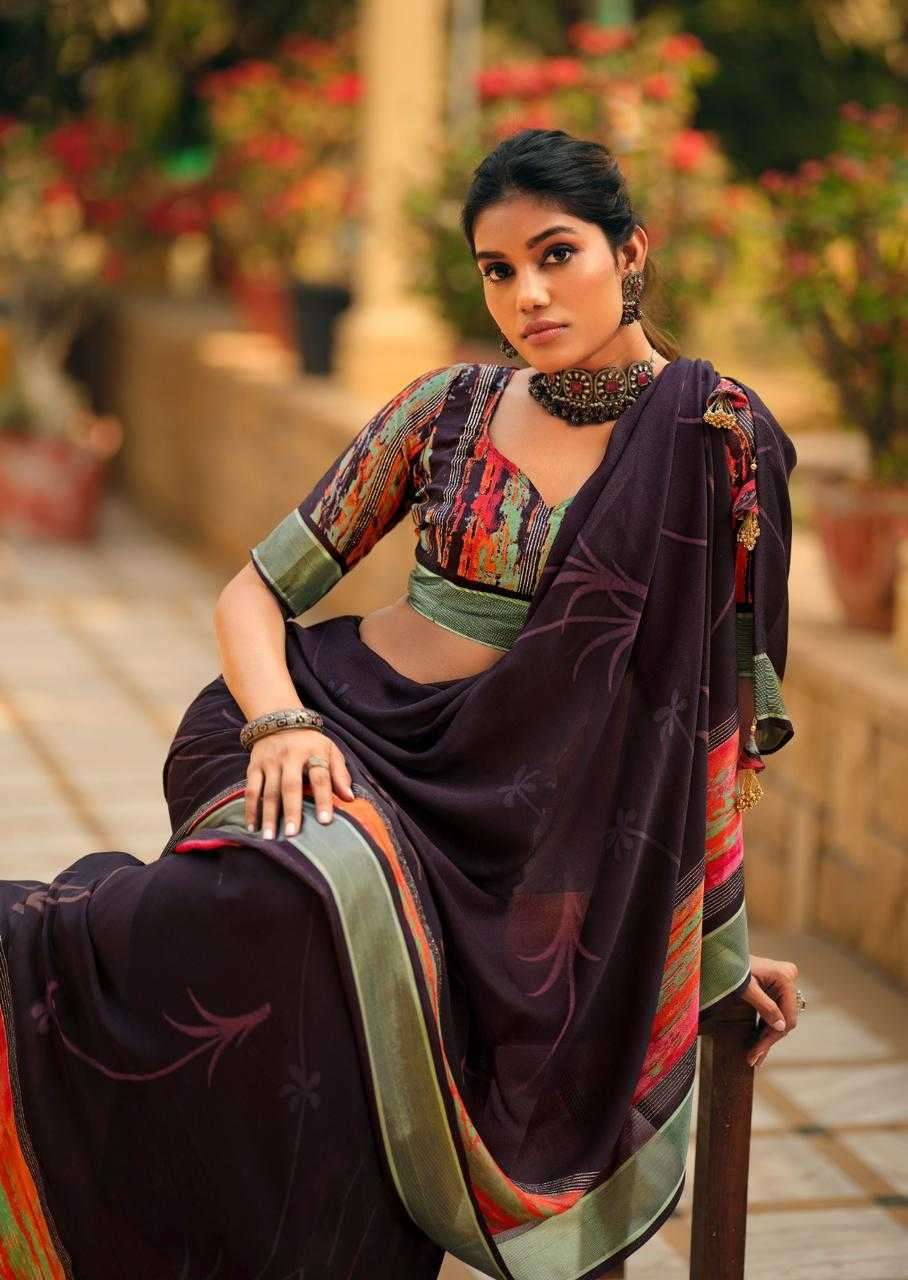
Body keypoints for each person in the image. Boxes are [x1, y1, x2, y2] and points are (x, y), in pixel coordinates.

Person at [0, 128, 803, 1280]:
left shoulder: (714, 438)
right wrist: (281, 722)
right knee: (271, 900)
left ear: (630, 252)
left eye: (555, 254)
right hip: (322, 728)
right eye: (496, 269)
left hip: (506, 826)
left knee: (314, 948)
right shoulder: (448, 408)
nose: (525, 295)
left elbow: (702, 729)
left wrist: (711, 942)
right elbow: (252, 593)